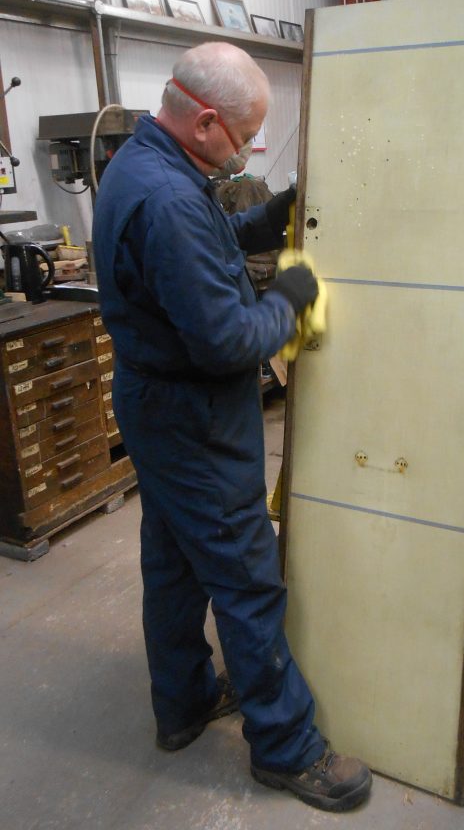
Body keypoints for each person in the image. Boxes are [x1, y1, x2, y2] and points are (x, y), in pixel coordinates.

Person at [93, 42, 372, 813]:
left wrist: (275, 217)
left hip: (153, 402)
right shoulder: (173, 199)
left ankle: (181, 705)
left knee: (176, 562)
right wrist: (289, 296)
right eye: (246, 136)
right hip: (194, 417)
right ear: (206, 121)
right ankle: (286, 747)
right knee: (247, 581)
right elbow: (226, 339)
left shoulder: (145, 161)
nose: (250, 149)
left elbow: (207, 248)